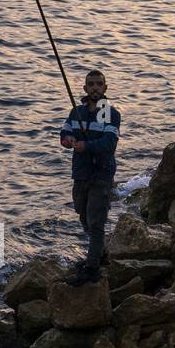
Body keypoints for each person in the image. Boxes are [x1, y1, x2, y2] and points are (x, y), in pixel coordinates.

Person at [59, 70, 120, 285]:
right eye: (91, 84)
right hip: (81, 173)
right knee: (83, 214)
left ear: (105, 88)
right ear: (85, 89)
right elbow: (64, 134)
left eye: (99, 84)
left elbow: (109, 144)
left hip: (101, 173)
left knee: (96, 222)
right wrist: (68, 140)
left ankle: (92, 269)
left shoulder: (108, 112)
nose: (95, 87)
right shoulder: (77, 112)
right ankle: (100, 253)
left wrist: (87, 146)